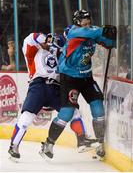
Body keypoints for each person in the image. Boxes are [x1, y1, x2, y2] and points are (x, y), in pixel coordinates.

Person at [40, 10, 116, 159]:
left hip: (86, 77)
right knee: (67, 113)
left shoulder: (91, 33)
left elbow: (108, 43)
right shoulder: (76, 32)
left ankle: (100, 144)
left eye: (88, 20)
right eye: (84, 21)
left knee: (98, 106)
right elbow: (93, 32)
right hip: (69, 78)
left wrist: (112, 38)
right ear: (77, 23)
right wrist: (104, 30)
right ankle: (48, 144)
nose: (87, 22)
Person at [8, 32, 97, 160]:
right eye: (49, 41)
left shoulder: (60, 55)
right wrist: (48, 40)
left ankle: (81, 140)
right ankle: (14, 146)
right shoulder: (33, 50)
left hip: (57, 89)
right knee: (27, 117)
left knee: (74, 112)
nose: (49, 44)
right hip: (38, 86)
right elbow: (32, 37)